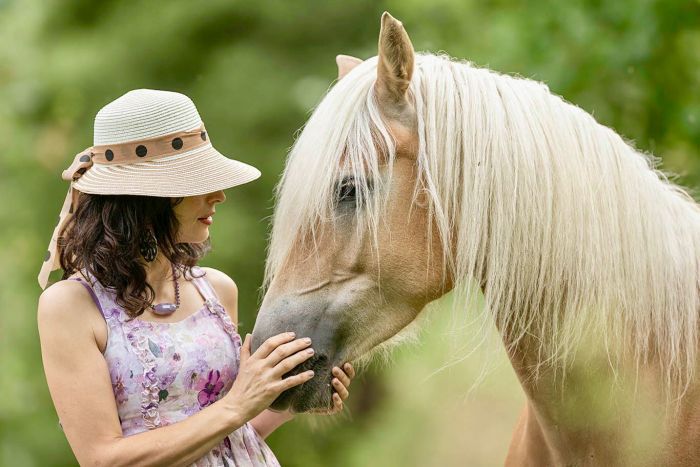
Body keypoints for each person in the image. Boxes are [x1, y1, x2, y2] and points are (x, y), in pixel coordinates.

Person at [36, 89, 355, 466]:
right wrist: (238, 405)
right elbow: (104, 459)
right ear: (147, 198)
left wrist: (289, 393)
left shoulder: (217, 289)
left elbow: (232, 438)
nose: (219, 195)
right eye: (199, 183)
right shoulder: (70, 307)